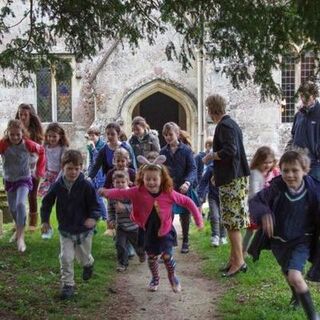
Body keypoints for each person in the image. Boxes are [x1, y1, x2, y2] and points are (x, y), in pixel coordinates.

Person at [98, 155, 203, 293]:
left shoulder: (169, 193)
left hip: (164, 229)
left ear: (162, 179)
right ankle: (155, 278)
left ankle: (172, 276)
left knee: (166, 256)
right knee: (152, 257)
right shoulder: (137, 191)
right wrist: (106, 192)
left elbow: (188, 202)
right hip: (147, 230)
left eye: (155, 179)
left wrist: (198, 220)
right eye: (148, 179)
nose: (151, 182)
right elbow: (121, 192)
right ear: (142, 178)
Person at [249, 150, 320, 320]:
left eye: (295, 170)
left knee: (295, 275)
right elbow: (255, 201)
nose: (289, 175)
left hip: (302, 239)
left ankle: (313, 316)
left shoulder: (314, 190)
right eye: (285, 170)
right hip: (278, 241)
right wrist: (265, 213)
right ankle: (296, 296)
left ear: (305, 170)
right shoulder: (277, 187)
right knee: (287, 272)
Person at [40, 150, 100, 300]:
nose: (73, 172)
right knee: (66, 257)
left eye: (76, 168)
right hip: (65, 229)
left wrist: (93, 217)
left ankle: (88, 263)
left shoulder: (86, 185)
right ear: (63, 168)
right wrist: (45, 220)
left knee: (83, 257)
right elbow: (46, 203)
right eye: (69, 168)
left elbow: (95, 205)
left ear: (81, 168)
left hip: (84, 230)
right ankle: (68, 285)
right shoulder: (57, 186)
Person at [203, 94, 250, 277]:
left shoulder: (225, 125)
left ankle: (238, 262)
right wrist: (217, 174)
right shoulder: (230, 124)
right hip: (231, 177)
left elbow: (231, 151)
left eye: (208, 108)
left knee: (232, 223)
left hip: (233, 180)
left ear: (212, 109)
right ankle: (234, 260)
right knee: (231, 222)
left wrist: (211, 156)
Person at [0, 119, 45, 252]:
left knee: (20, 204)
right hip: (9, 180)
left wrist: (39, 170)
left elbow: (41, 151)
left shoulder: (28, 144)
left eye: (17, 135)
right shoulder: (3, 144)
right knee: (13, 209)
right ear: (7, 133)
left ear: (22, 133)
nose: (14, 137)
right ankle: (19, 228)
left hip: (24, 179)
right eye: (11, 134)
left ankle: (21, 237)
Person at [160, 122, 198, 254]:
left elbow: (193, 169)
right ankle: (170, 240)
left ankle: (186, 240)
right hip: (169, 188)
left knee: (185, 215)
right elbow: (161, 170)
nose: (168, 137)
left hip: (183, 187)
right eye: (165, 135)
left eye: (170, 134)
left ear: (177, 134)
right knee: (167, 215)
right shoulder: (163, 152)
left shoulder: (186, 150)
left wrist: (187, 182)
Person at [242, 146, 280, 256]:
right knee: (251, 230)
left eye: (270, 162)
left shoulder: (273, 172)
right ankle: (243, 251)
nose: (267, 165)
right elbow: (254, 193)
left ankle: (258, 248)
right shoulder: (255, 174)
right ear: (258, 161)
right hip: (256, 207)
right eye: (264, 162)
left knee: (268, 228)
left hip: (268, 207)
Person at [107, 170, 145, 272]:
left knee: (138, 245)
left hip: (134, 225)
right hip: (120, 226)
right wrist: (111, 220)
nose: (120, 184)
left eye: (122, 182)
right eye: (117, 182)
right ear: (113, 183)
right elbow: (110, 209)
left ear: (128, 182)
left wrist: (125, 207)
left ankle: (141, 254)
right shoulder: (112, 195)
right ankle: (122, 263)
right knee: (120, 245)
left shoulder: (131, 194)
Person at [16, 103, 44, 231]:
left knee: (32, 195)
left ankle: (32, 223)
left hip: (33, 167)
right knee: (18, 195)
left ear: (30, 116)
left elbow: (39, 150)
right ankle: (19, 222)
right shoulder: (15, 129)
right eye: (20, 114)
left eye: (25, 115)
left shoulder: (35, 131)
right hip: (18, 167)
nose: (22, 117)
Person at [288, 81, 320, 181]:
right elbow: (293, 136)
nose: (304, 99)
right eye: (302, 95)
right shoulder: (298, 115)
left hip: (315, 165)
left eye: (307, 96)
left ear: (314, 95)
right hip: (297, 163)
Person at [197, 163, 227, 247]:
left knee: (223, 217)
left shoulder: (228, 167)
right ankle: (215, 236)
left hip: (225, 197)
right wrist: (200, 194)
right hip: (213, 196)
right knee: (214, 216)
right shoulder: (211, 168)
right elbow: (203, 182)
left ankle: (223, 236)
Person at [38, 122, 69, 197]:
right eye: (49, 136)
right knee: (46, 197)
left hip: (60, 175)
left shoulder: (63, 148)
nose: (51, 138)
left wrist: (58, 179)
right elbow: (44, 161)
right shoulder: (45, 146)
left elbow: (63, 165)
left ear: (60, 136)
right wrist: (43, 173)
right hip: (48, 175)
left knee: (59, 196)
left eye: (54, 136)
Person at [86, 126, 108, 225]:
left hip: (101, 172)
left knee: (98, 195)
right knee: (94, 194)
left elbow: (98, 160)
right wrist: (89, 172)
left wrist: (94, 149)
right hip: (94, 172)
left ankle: (105, 216)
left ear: (98, 136)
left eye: (93, 136)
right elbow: (91, 160)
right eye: (90, 136)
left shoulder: (103, 146)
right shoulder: (91, 145)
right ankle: (99, 214)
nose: (91, 138)